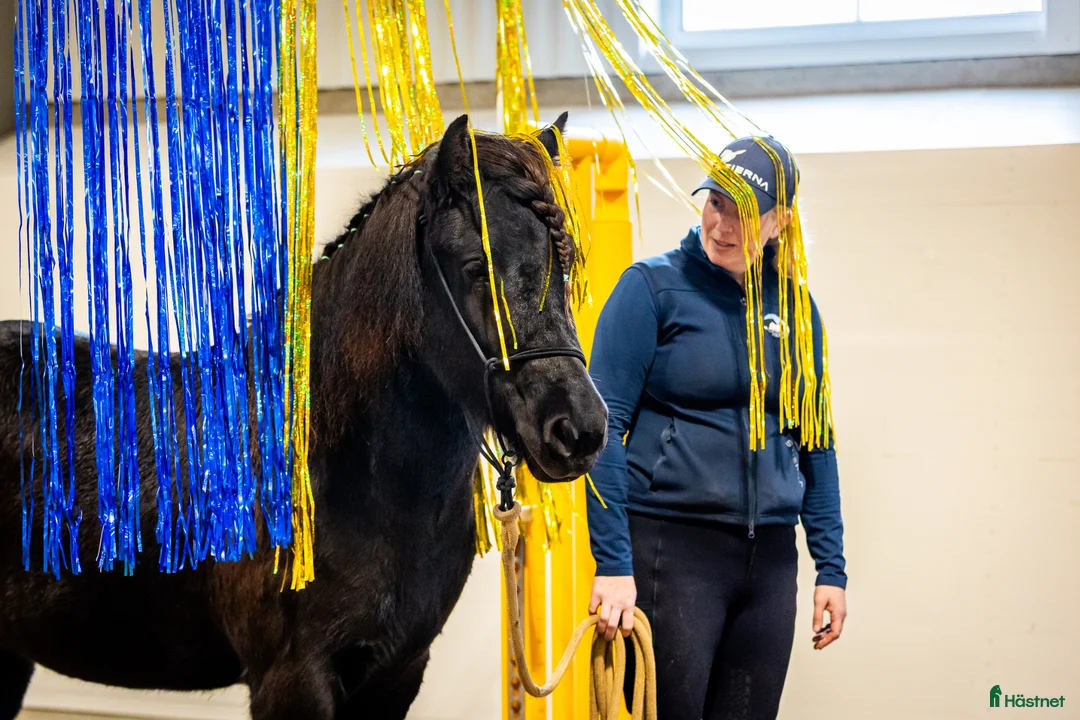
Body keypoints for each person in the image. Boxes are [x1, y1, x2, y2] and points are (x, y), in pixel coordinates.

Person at [585, 135, 848, 720]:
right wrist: (613, 564)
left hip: (771, 563)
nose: (722, 224)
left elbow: (817, 444)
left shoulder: (799, 312)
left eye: (744, 212)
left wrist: (830, 566)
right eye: (715, 202)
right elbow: (601, 431)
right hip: (672, 553)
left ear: (779, 221)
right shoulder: (650, 289)